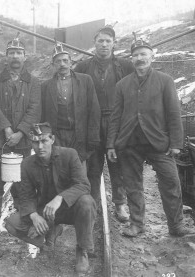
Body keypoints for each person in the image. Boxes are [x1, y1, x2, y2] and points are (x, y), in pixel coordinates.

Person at [107, 37, 193, 237]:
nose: (139, 58)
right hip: (129, 142)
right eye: (136, 55)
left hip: (159, 143)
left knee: (171, 183)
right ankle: (137, 224)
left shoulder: (165, 81)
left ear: (152, 57)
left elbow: (173, 113)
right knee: (132, 185)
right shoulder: (122, 85)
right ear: (131, 59)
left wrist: (176, 143)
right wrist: (111, 144)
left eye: (143, 54)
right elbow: (115, 117)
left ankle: (176, 226)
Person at [5, 123, 96, 273]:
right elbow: (25, 195)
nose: (40, 146)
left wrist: (60, 198)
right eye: (35, 142)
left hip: (69, 208)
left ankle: (82, 250)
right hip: (45, 212)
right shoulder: (27, 164)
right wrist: (34, 216)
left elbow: (83, 185)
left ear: (52, 139)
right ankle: (47, 237)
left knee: (86, 202)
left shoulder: (69, 155)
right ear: (31, 143)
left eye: (44, 141)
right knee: (12, 224)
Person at [75, 25, 134, 222]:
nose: (104, 44)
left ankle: (120, 204)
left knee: (117, 164)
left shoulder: (125, 66)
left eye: (108, 41)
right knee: (93, 166)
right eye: (100, 41)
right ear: (95, 43)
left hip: (115, 122)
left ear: (114, 44)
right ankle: (92, 204)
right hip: (91, 122)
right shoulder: (83, 67)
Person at [0, 35, 41, 222]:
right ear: (6, 56)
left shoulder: (34, 82)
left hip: (23, 138)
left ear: (25, 57)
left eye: (19, 53)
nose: (15, 56)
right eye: (12, 53)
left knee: (22, 175)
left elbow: (34, 109)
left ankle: (22, 209)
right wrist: (6, 129)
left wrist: (20, 132)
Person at [41, 42, 100, 168]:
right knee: (58, 169)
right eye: (58, 61)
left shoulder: (85, 80)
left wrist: (92, 137)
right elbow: (42, 115)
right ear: (53, 65)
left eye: (65, 60)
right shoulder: (46, 86)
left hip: (79, 134)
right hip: (57, 135)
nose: (62, 64)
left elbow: (94, 110)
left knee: (79, 170)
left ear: (71, 62)